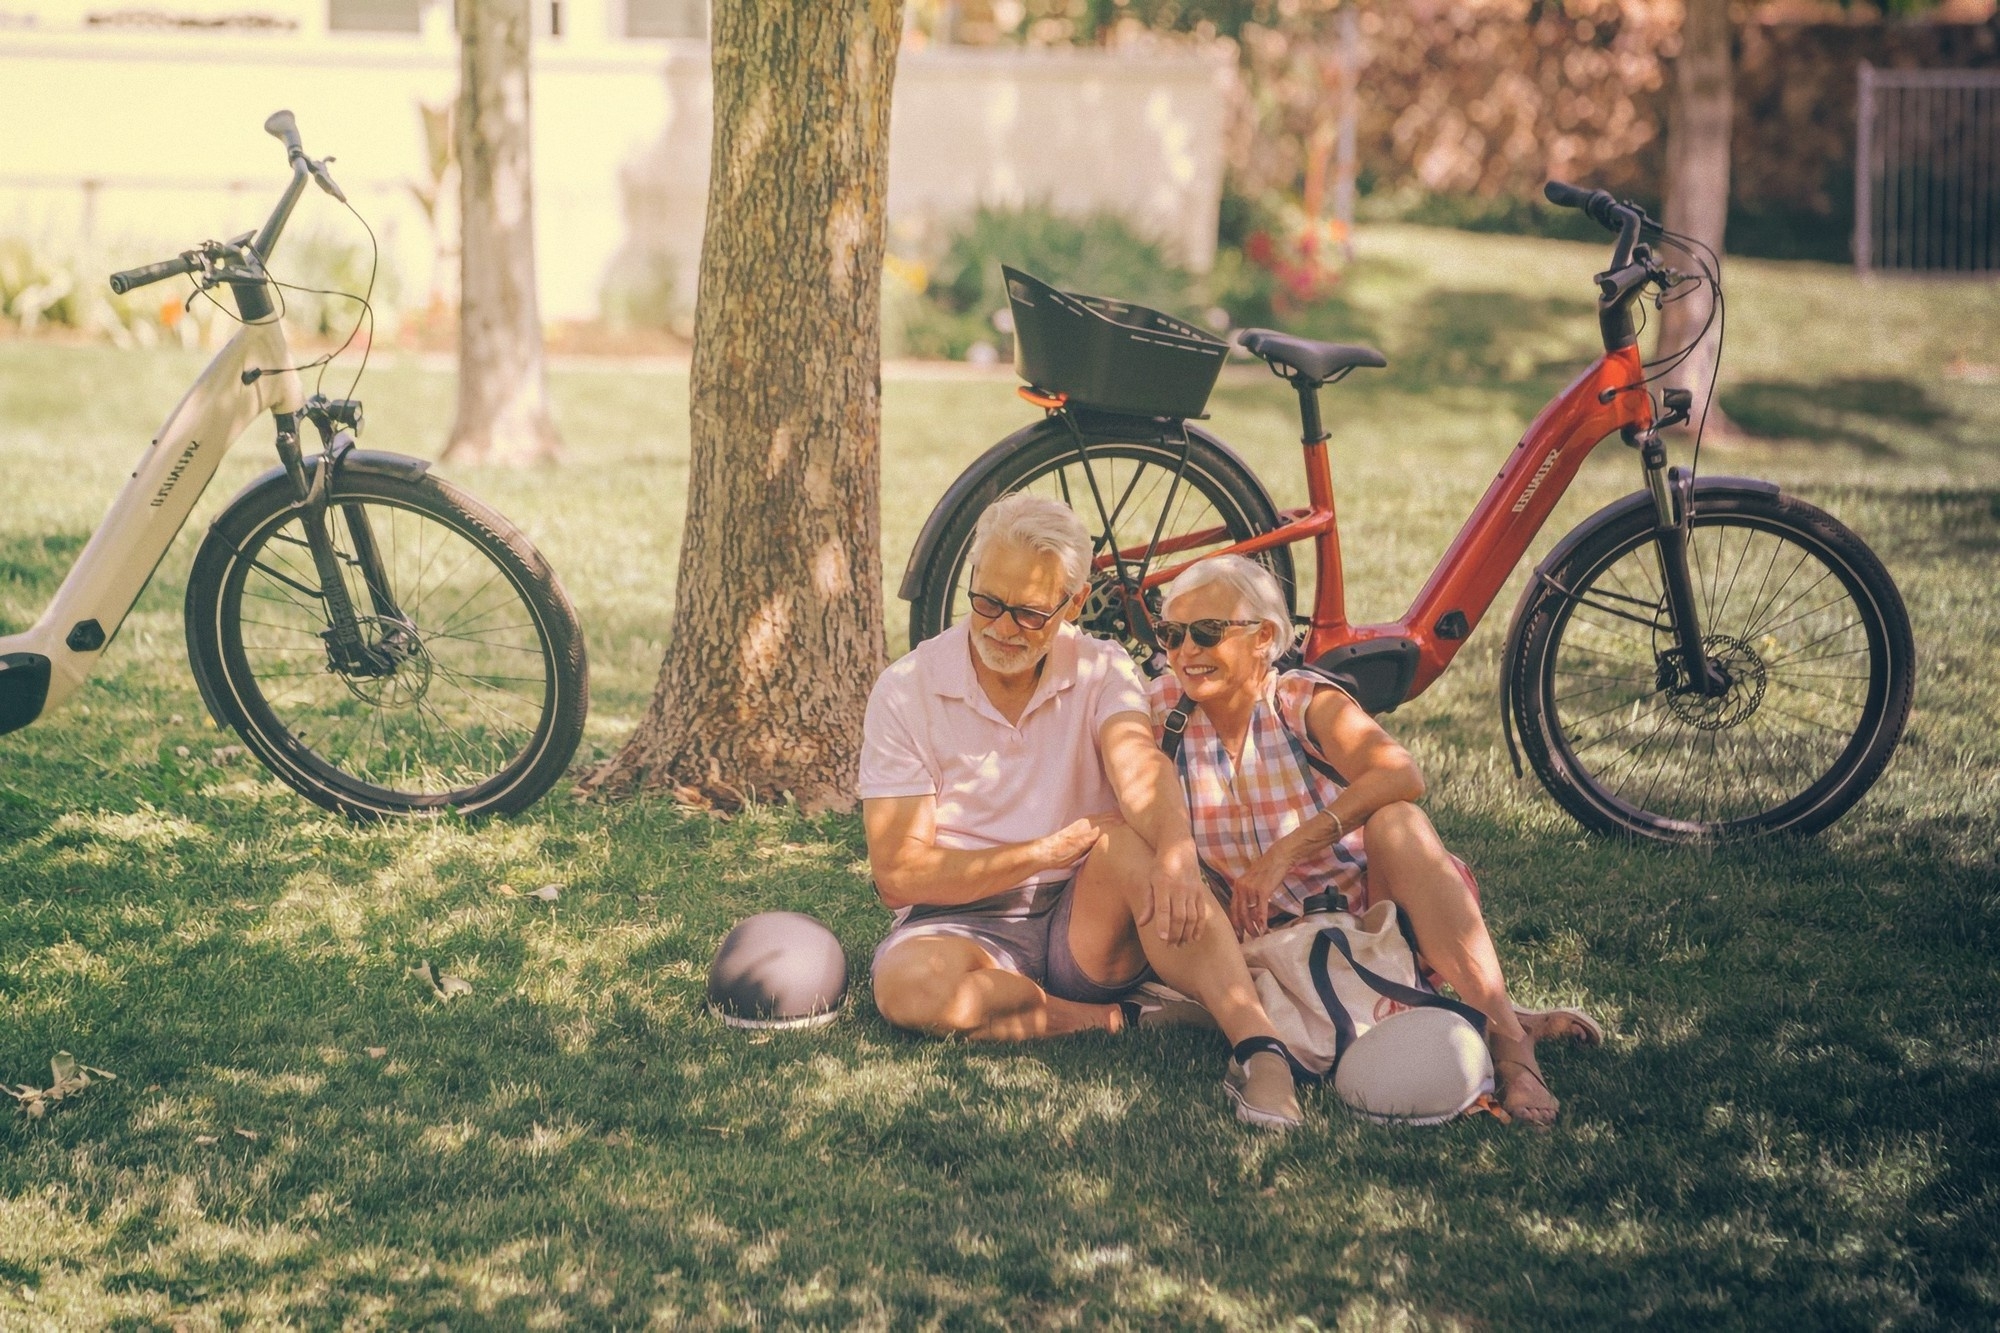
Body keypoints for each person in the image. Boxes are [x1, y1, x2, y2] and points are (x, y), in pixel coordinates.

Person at [861, 495, 1305, 1129]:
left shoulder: (1101, 665)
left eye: (1030, 613)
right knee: (908, 989)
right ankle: (1110, 1020)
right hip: (959, 925)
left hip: (1086, 919)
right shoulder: (907, 688)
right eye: (986, 602)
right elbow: (899, 875)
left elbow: (1139, 768)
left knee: (1133, 847)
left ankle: (1261, 1050)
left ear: (1073, 605)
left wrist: (1177, 855)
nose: (1001, 628)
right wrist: (1040, 853)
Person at [1146, 555, 1601, 1127]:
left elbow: (1401, 774)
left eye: (1206, 632)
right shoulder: (1163, 711)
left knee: (1398, 822)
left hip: (1372, 918)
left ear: (1263, 637)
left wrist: (1281, 854)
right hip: (1266, 945)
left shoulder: (1299, 701)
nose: (1184, 651)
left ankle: (1510, 1041)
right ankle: (1480, 1012)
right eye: (1171, 633)